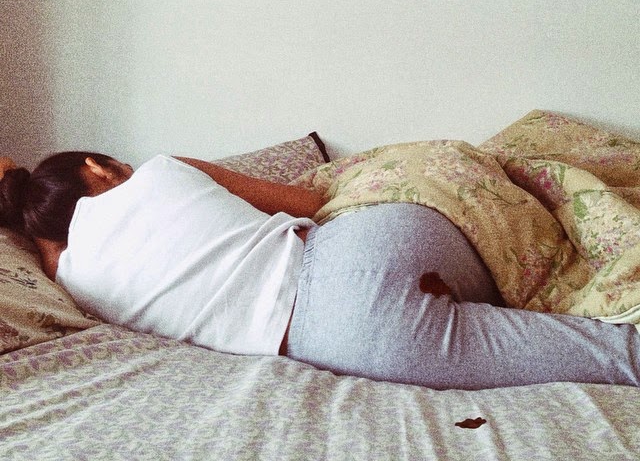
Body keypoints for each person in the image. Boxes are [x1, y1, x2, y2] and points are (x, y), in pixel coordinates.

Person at [1, 151, 639, 391]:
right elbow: (307, 201)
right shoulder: (166, 168)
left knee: (616, 358)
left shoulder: (72, 281)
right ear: (97, 167)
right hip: (373, 239)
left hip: (342, 336)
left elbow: (52, 254)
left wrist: (30, 220)